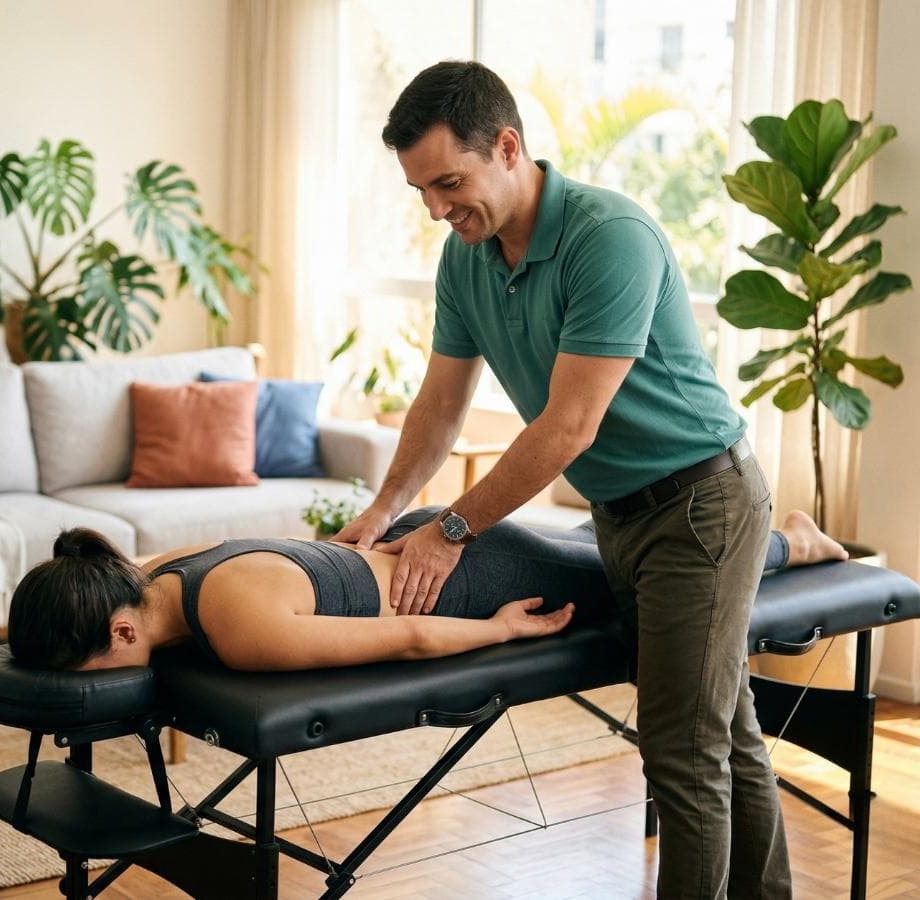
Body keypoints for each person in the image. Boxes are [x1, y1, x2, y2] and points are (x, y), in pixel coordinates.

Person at [329, 60, 800, 898]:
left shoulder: (607, 235)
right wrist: (387, 507)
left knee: (681, 750)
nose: (437, 210)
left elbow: (567, 425)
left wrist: (450, 528)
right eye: (421, 192)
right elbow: (440, 404)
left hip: (702, 503)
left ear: (507, 146)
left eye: (449, 183)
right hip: (621, 513)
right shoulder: (465, 258)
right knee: (723, 733)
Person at [7, 508, 846, 674]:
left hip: (483, 575)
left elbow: (408, 639)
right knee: (594, 549)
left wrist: (506, 634)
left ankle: (784, 540)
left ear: (120, 635)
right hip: (424, 538)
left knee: (668, 578)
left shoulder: (238, 624)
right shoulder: (156, 570)